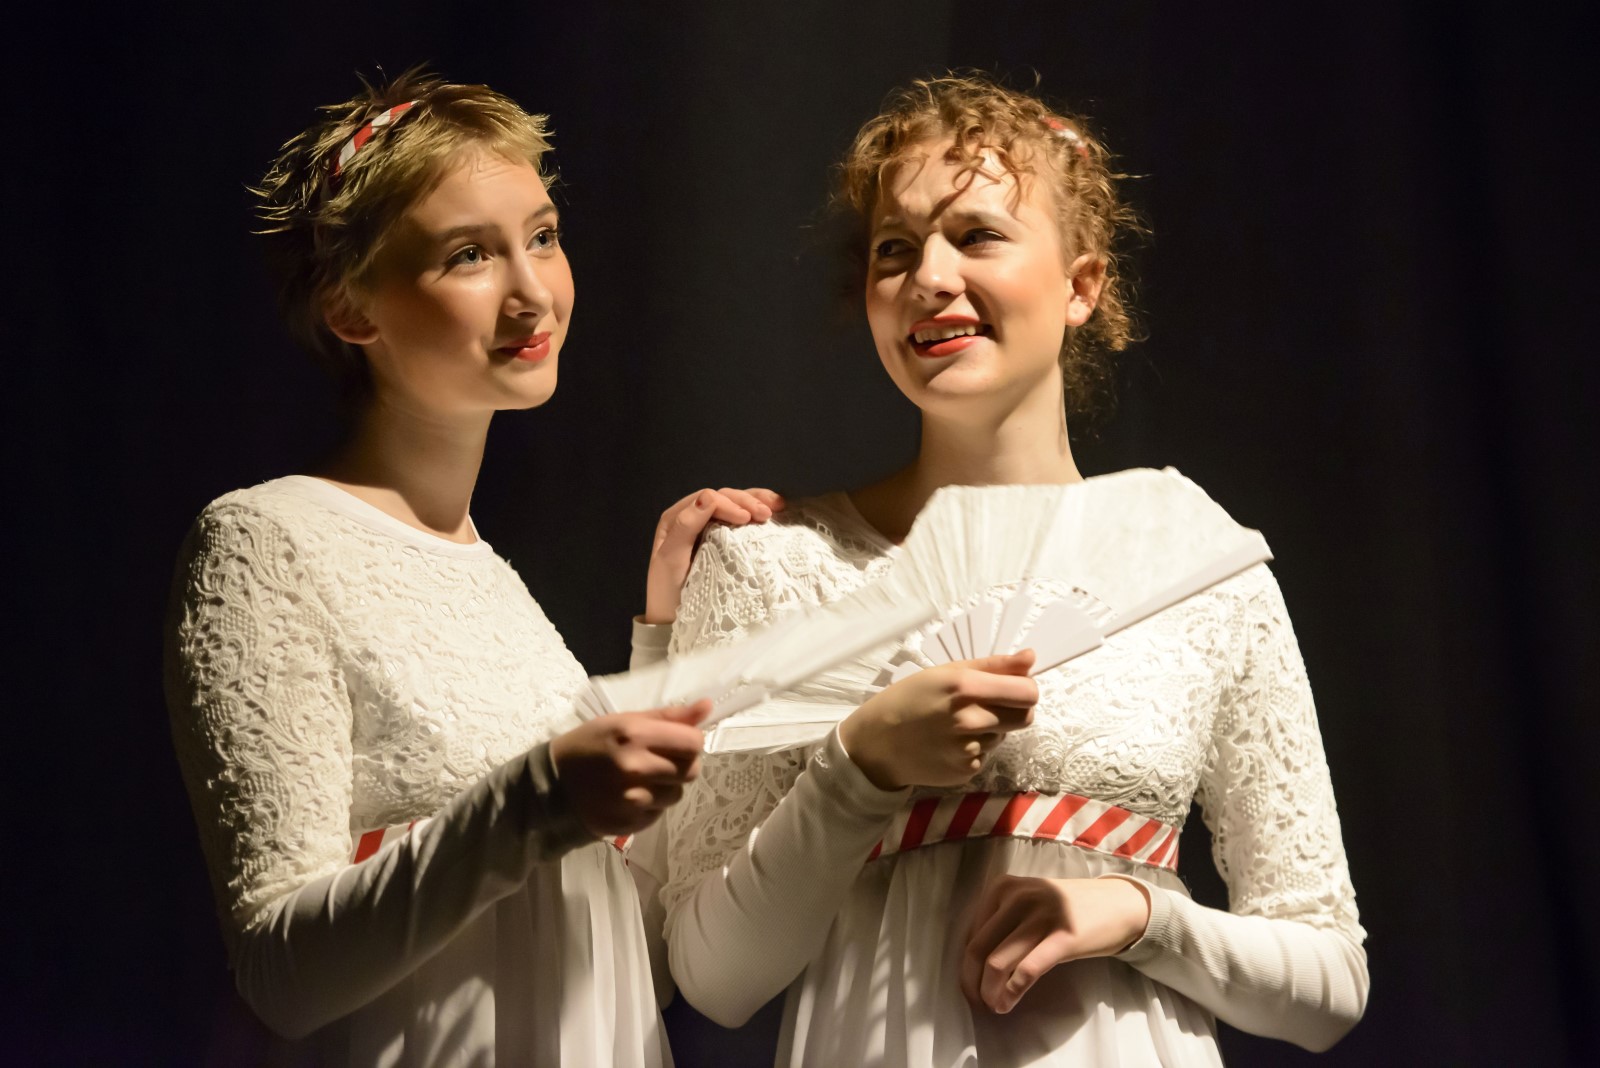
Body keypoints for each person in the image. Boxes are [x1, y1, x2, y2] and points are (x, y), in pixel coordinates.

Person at [640, 74, 1369, 1066]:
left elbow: (1328, 984)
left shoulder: (1203, 571)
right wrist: (860, 768)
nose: (928, 277)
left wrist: (1141, 914)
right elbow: (712, 978)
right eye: (895, 249)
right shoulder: (773, 566)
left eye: (976, 235)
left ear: (1081, 286)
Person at [164, 70, 782, 1066]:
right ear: (351, 308)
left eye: (542, 236)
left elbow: (625, 945)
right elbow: (282, 972)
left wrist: (665, 633)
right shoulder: (267, 542)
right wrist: (537, 800)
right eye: (469, 255)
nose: (533, 292)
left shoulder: (489, 575)